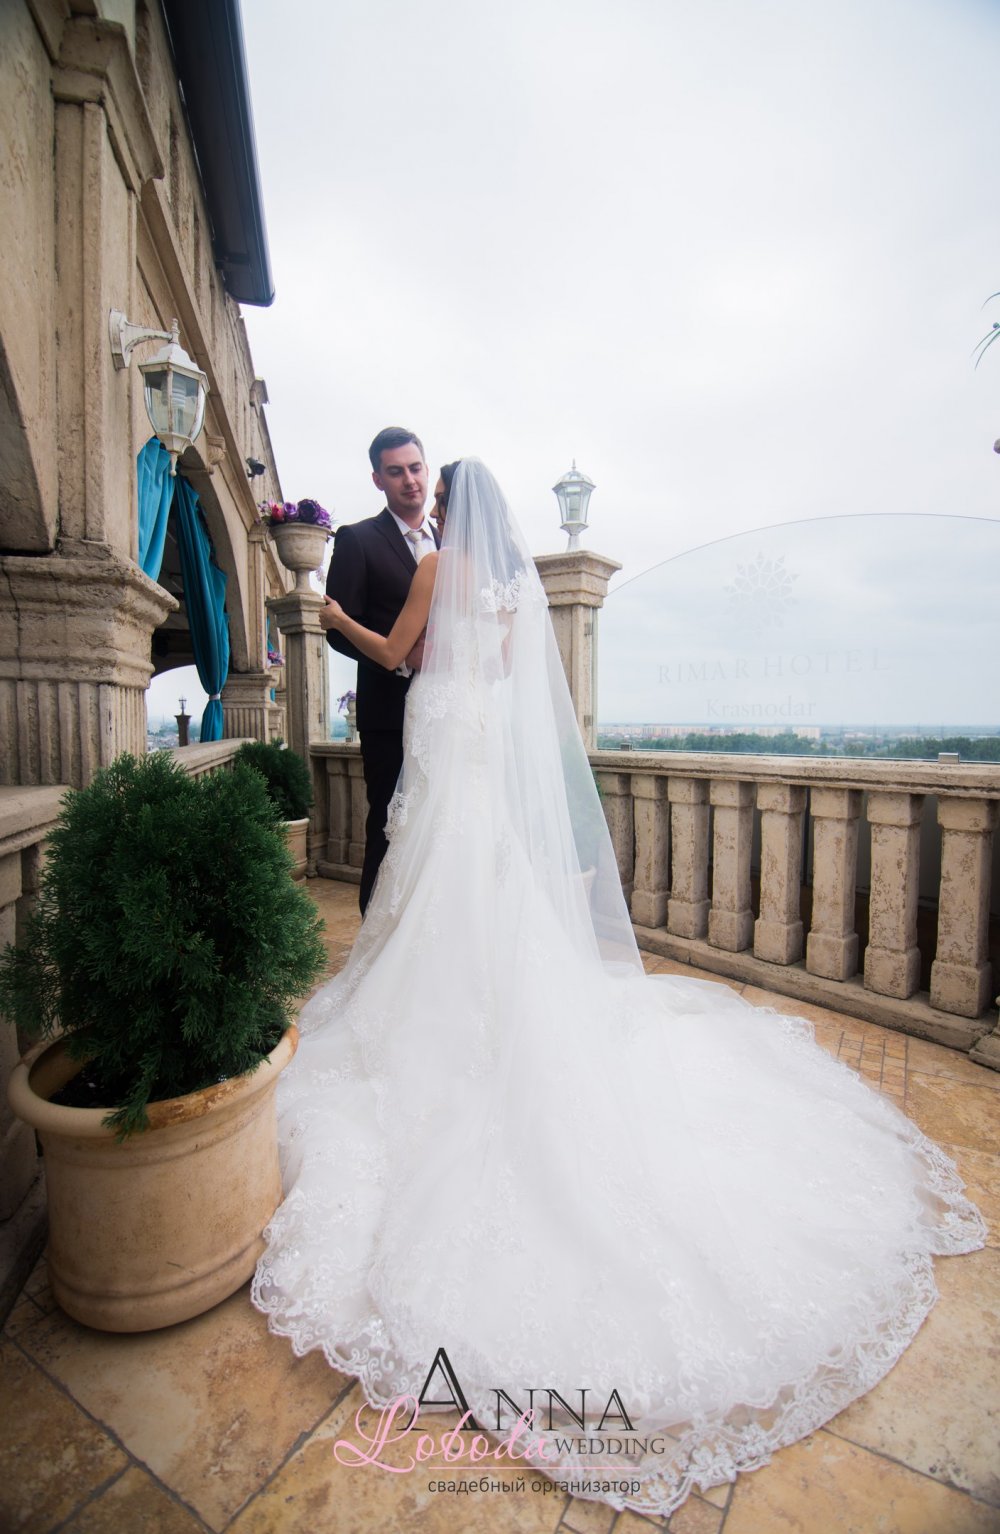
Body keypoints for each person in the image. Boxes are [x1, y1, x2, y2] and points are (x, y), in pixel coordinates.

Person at [254, 460, 985, 1520]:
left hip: (437, 749)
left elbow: (399, 654)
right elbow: (500, 682)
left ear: (449, 507)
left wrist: (333, 619)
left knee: (431, 900)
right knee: (480, 896)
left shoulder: (443, 567)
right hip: (477, 762)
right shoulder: (507, 592)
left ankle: (447, 1023)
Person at [322, 427, 439, 913]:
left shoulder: (451, 540)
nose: (409, 481)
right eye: (396, 472)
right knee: (389, 826)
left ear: (425, 470)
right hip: (389, 714)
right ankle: (374, 947)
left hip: (447, 712)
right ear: (378, 479)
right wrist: (399, 659)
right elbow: (335, 629)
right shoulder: (357, 540)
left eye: (415, 468)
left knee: (440, 828)